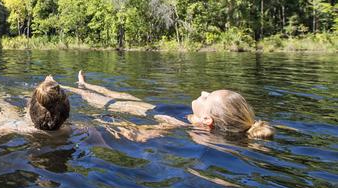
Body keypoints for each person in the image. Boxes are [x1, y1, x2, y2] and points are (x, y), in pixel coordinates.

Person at [75, 70, 275, 142]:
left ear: (208, 120)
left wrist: (103, 126)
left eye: (207, 98)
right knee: (117, 94)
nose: (204, 93)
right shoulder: (242, 123)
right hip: (154, 105)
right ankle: (85, 83)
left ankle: (79, 89)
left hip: (144, 111)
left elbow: (142, 134)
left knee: (100, 100)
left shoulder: (181, 125)